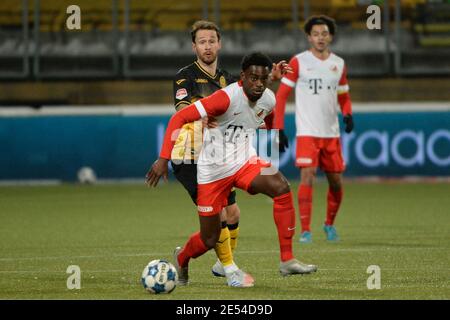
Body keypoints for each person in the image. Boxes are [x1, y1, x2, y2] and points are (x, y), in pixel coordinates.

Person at [147, 52, 317, 288]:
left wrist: (274, 133)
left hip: (244, 162)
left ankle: (287, 260)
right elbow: (179, 119)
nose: (258, 84)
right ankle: (182, 257)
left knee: (281, 187)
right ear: (242, 77)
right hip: (213, 171)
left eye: (263, 79)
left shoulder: (268, 98)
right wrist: (163, 159)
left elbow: (267, 114)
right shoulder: (224, 99)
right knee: (210, 238)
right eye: (253, 78)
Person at [171, 20, 291, 279]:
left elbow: (250, 93)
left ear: (219, 44)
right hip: (191, 155)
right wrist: (201, 115)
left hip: (222, 157)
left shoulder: (228, 78)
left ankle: (216, 263)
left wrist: (273, 77)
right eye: (202, 42)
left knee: (233, 212)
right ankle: (229, 268)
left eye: (211, 41)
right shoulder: (185, 75)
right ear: (194, 46)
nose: (207, 46)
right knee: (220, 217)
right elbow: (183, 110)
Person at [273, 15, 354, 243]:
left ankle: (329, 224)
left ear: (331, 36)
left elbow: (344, 96)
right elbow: (281, 96)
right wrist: (279, 128)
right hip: (307, 132)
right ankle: (306, 230)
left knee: (336, 181)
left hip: (331, 133)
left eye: (324, 33)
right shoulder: (298, 62)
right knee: (307, 177)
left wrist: (348, 113)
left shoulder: (338, 64)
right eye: (316, 34)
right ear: (309, 37)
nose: (320, 38)